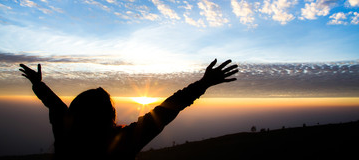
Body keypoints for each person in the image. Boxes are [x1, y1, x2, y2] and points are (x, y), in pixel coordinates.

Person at [19, 59, 238, 160]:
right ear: (109, 115)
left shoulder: (66, 132)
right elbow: (167, 110)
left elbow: (55, 105)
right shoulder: (124, 140)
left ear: (76, 111)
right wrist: (203, 83)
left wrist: (38, 84)